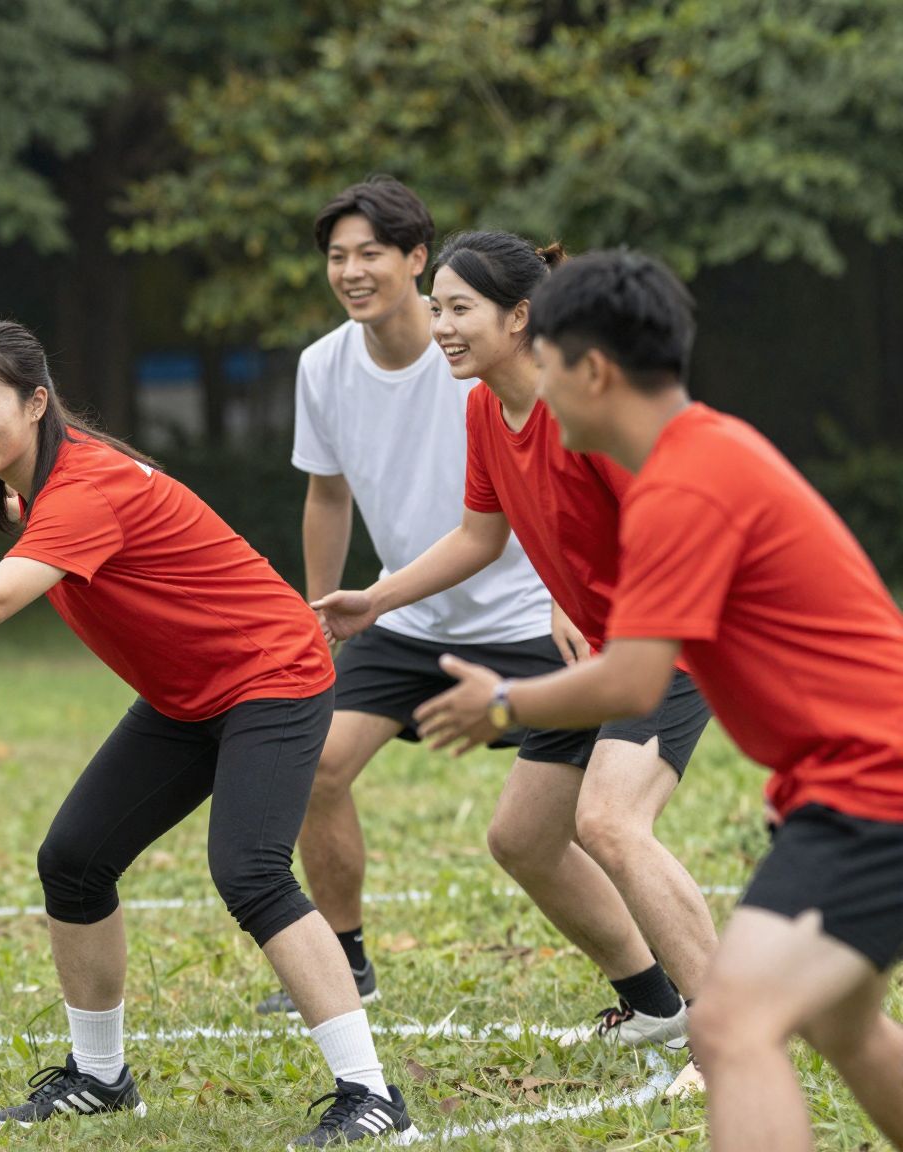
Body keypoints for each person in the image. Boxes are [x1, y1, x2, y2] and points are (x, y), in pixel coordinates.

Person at [0, 319, 415, 1144]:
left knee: (252, 873)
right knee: (75, 861)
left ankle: (373, 1097)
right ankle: (100, 1077)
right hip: (188, 694)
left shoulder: (85, 487)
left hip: (270, 675)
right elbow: (36, 508)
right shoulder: (53, 475)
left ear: (36, 402)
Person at [412, 250, 903, 1152]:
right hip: (844, 783)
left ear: (593, 371)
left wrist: (508, 704)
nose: (542, 398)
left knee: (731, 1025)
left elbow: (637, 679)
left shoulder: (683, 487)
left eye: (551, 369)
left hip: (876, 784)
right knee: (840, 1022)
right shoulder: (705, 450)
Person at [313, 232, 717, 1060]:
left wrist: (608, 620)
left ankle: (730, 1041)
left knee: (610, 821)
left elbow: (670, 532)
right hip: (596, 659)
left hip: (667, 643)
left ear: (521, 316)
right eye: (438, 310)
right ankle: (653, 1004)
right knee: (523, 838)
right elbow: (477, 537)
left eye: (460, 309)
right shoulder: (483, 410)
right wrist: (373, 601)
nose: (443, 327)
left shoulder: (588, 408)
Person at [261, 178, 559, 1017]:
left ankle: (652, 978)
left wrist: (574, 594)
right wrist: (324, 610)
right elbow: (327, 496)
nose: (351, 272)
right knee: (316, 764)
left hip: (531, 616)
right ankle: (345, 960)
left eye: (371, 255)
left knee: (572, 820)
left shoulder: (475, 353)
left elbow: (540, 483)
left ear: (417, 260)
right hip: (406, 616)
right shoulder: (322, 366)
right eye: (336, 257)